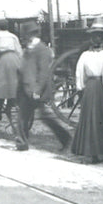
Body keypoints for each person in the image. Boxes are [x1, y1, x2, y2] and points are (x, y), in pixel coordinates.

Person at [70, 25, 103, 162]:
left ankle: (91, 153)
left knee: (90, 119)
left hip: (90, 88)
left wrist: (81, 87)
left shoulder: (84, 56)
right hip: (102, 89)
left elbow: (79, 74)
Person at [17, 22, 71, 151]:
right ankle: (22, 142)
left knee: (45, 117)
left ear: (34, 34)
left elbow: (43, 73)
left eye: (28, 35)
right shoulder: (29, 49)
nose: (26, 37)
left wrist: (37, 90)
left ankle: (65, 138)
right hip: (26, 88)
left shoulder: (42, 50)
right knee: (22, 116)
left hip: (36, 90)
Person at [0, 19, 23, 135]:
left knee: (0, 85)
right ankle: (11, 105)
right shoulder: (13, 37)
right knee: (13, 84)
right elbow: (19, 51)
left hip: (4, 59)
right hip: (15, 59)